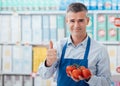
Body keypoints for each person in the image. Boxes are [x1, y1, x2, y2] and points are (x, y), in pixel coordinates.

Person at [38, 2, 111, 86]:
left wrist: (89, 78)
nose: (76, 25)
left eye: (80, 21)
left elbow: (107, 83)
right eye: (72, 21)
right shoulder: (59, 46)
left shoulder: (100, 50)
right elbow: (44, 75)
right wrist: (48, 63)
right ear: (67, 21)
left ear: (87, 21)